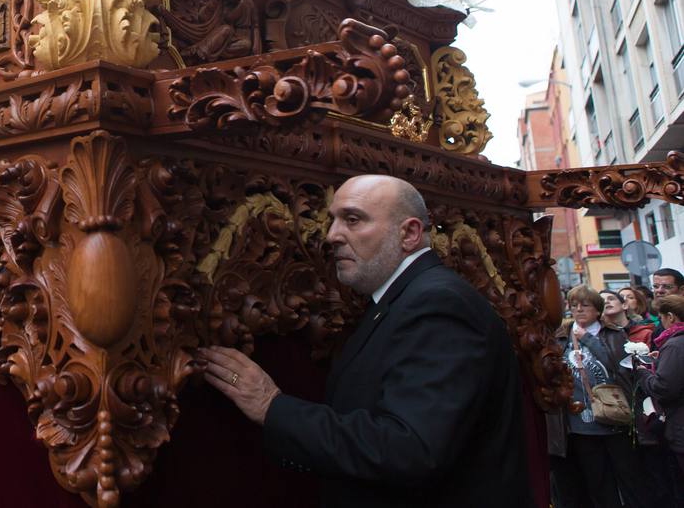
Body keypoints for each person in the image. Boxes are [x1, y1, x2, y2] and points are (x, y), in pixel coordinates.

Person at [197, 175, 531, 507]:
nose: (331, 236)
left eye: (353, 220)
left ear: (410, 233)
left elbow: (410, 450)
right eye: (333, 220)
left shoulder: (438, 305)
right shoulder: (401, 300)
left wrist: (273, 407)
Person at [548, 286, 654, 508]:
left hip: (615, 418)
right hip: (580, 423)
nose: (578, 310)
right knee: (598, 483)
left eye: (584, 305)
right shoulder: (561, 337)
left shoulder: (614, 335)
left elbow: (618, 367)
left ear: (597, 310)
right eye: (574, 305)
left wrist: (587, 339)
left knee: (630, 478)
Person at [634, 293, 684, 502]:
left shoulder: (675, 344)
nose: (660, 322)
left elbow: (665, 388)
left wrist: (644, 373)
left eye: (661, 317)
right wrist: (662, 360)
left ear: (670, 317)